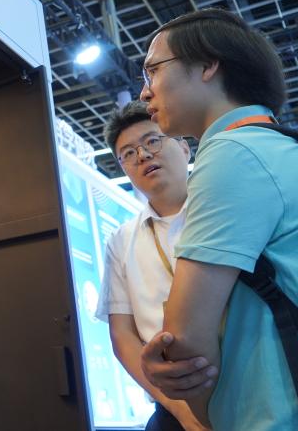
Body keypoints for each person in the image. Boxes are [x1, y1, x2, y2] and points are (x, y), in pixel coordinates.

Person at [136, 8, 298, 430]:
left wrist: (203, 412)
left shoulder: (233, 153)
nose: (144, 93)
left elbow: (186, 339)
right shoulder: (287, 148)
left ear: (208, 64)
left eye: (153, 70)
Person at [94, 101, 205, 431]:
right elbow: (122, 335)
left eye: (152, 141)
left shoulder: (222, 209)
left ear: (184, 148)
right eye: (128, 154)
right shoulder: (121, 240)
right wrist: (180, 411)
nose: (142, 155)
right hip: (172, 406)